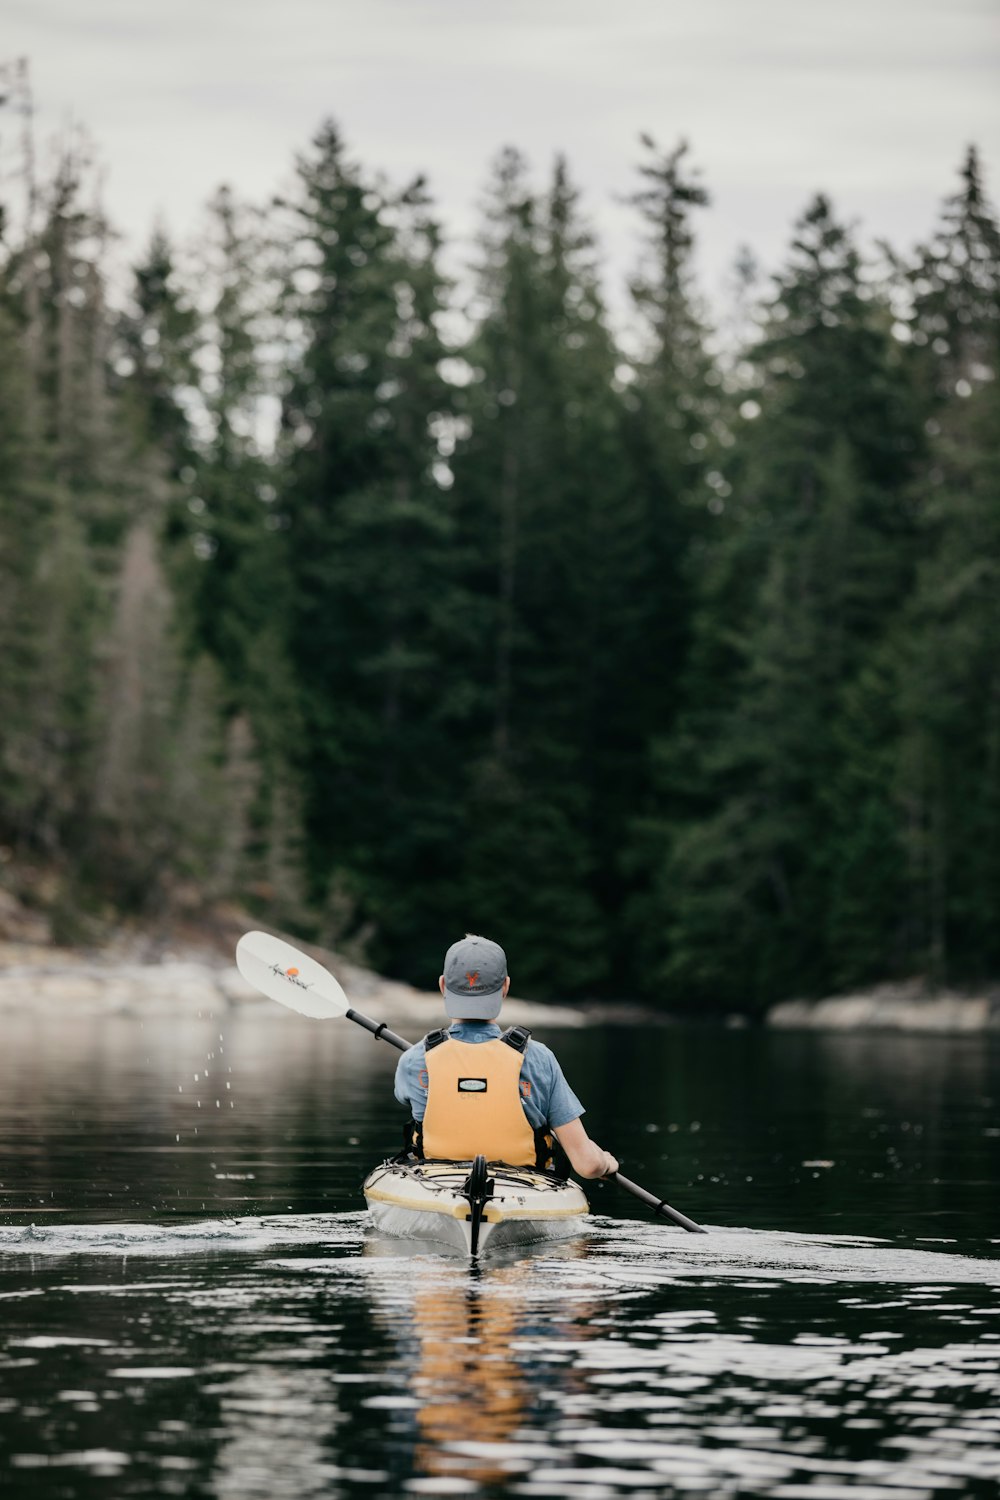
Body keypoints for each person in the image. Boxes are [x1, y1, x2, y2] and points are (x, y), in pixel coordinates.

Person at [394, 933, 619, 1180]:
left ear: (442, 986)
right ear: (505, 987)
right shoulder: (539, 1059)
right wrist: (606, 1163)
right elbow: (588, 1166)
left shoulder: (414, 1059)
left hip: (435, 1184)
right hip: (524, 1187)